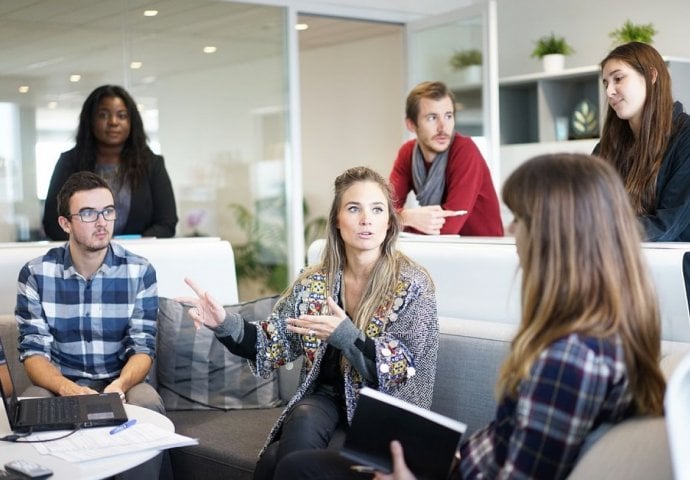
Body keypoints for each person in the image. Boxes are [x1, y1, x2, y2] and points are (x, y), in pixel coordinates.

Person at [275, 153, 666, 480]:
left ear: (556, 236)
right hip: (459, 464)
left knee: (298, 470)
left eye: (521, 219)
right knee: (292, 463)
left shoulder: (570, 359)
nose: (512, 231)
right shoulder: (600, 334)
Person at [179, 166, 439, 480]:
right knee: (302, 416)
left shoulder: (412, 285)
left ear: (389, 222)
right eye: (354, 208)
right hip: (326, 398)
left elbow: (399, 370)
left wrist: (345, 335)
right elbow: (271, 342)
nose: (366, 219)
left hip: (385, 411)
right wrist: (223, 322)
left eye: (377, 209)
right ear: (337, 222)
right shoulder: (315, 281)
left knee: (276, 459)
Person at [594, 41, 690, 307]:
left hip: (678, 289)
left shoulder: (686, 139)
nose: (610, 91)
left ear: (651, 76)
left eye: (618, 79)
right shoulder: (606, 148)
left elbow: (667, 224)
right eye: (605, 83)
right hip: (621, 284)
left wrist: (598, 233)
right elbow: (587, 209)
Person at [43, 84, 178, 241]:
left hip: (138, 258)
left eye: (122, 115)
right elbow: (53, 224)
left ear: (132, 122)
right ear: (90, 120)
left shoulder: (152, 164)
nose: (113, 122)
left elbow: (167, 223)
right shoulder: (69, 163)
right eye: (103, 115)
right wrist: (94, 244)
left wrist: (129, 247)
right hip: (83, 259)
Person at [389, 81, 503, 236]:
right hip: (442, 250)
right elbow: (383, 212)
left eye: (448, 116)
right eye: (432, 118)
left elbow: (448, 227)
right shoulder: (407, 153)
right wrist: (406, 217)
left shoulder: (465, 150)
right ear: (411, 125)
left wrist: (400, 219)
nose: (443, 127)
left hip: (483, 251)